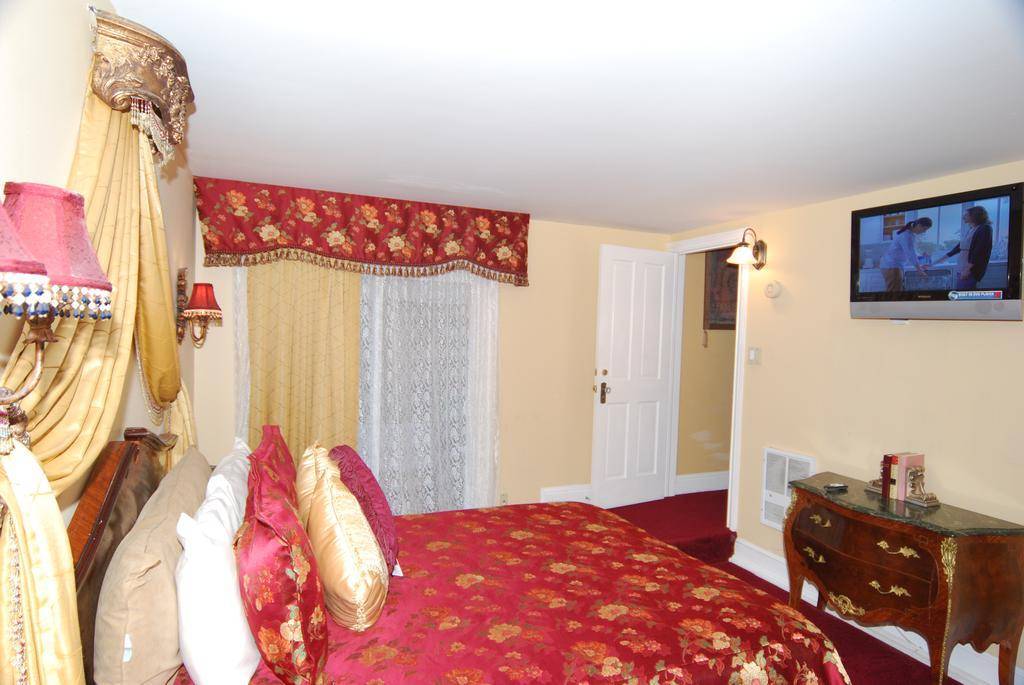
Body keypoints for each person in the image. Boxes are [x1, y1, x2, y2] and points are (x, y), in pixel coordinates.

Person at [932, 206, 993, 290]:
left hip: (969, 271)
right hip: (962, 268)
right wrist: (935, 262)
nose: (963, 217)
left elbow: (979, 251)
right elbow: (957, 248)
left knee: (963, 294)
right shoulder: (972, 229)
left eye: (966, 215)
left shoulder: (985, 228)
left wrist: (967, 270)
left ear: (974, 216)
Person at [878, 217, 932, 292]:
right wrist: (919, 269)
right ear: (919, 225)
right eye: (924, 229)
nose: (924, 231)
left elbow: (909, 251)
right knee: (894, 292)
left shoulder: (909, 234)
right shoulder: (906, 235)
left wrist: (921, 255)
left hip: (892, 265)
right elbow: (910, 253)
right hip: (892, 265)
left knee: (895, 291)